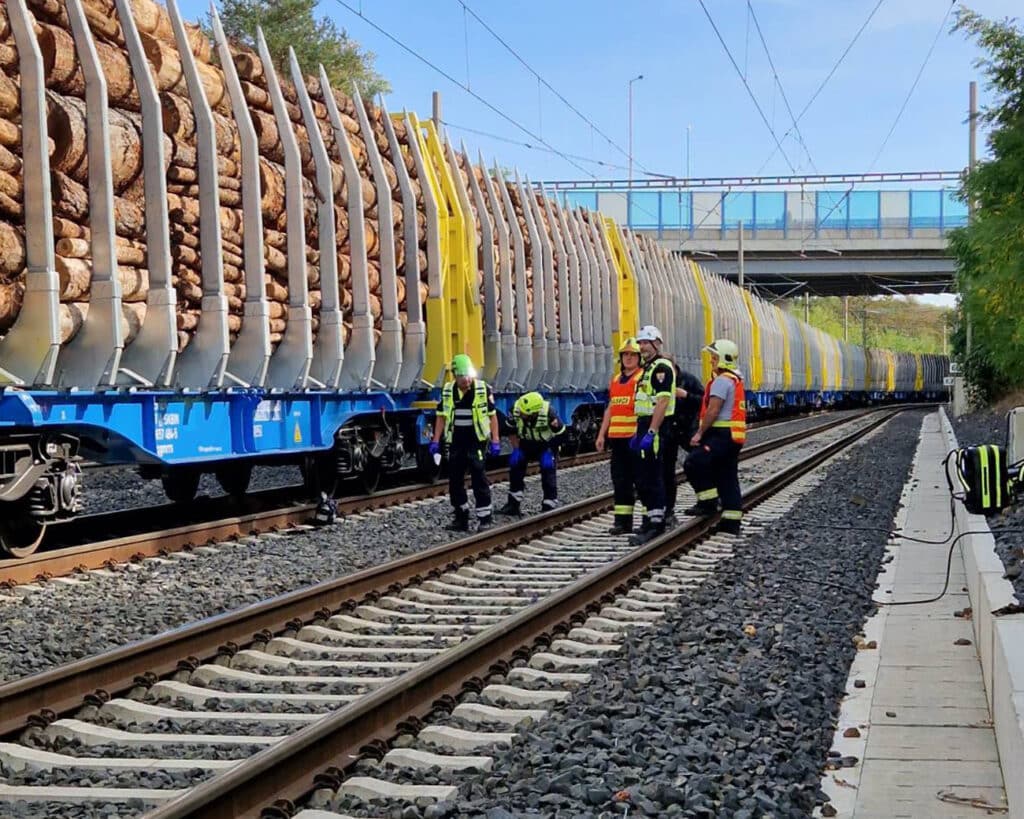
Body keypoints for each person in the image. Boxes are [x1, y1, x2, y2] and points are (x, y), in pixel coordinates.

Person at [429, 354, 502, 531]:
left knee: (478, 475)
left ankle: (485, 518)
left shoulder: (483, 389)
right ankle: (461, 517)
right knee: (454, 479)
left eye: (469, 377)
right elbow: (441, 417)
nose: (467, 381)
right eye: (463, 378)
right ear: (455, 376)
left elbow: (492, 417)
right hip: (456, 441)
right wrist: (436, 440)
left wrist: (495, 440)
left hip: (476, 441)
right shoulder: (447, 391)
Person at [683, 338, 747, 535]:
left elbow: (713, 410)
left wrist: (700, 433)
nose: (711, 360)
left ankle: (707, 502)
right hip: (731, 436)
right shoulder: (733, 380)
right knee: (727, 477)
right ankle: (731, 522)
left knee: (693, 462)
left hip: (720, 435)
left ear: (723, 359)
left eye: (714, 357)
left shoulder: (721, 381)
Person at [629, 325, 676, 545]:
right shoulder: (648, 368)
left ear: (656, 343)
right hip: (644, 424)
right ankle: (649, 518)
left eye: (645, 343)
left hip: (655, 426)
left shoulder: (661, 368)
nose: (642, 347)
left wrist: (650, 431)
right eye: (640, 343)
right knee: (642, 476)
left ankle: (656, 523)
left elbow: (663, 401)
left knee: (652, 475)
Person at [596, 337, 644, 534]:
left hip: (635, 438)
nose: (629, 358)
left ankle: (650, 520)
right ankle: (622, 522)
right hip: (617, 440)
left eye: (632, 355)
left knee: (641, 481)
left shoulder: (642, 378)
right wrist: (601, 435)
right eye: (625, 354)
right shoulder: (616, 380)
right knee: (620, 481)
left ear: (639, 357)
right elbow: (610, 409)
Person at [498, 391, 565, 515]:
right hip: (525, 442)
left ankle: (549, 503)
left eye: (526, 414)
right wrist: (516, 449)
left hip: (546, 444)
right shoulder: (515, 410)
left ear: (535, 412)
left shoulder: (549, 413)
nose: (522, 415)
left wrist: (550, 451)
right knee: (515, 470)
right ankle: (513, 504)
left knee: (548, 471)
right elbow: (510, 430)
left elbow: (560, 434)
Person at [661, 357, 705, 527]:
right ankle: (668, 511)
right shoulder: (659, 381)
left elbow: (703, 401)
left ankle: (707, 500)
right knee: (666, 472)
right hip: (669, 431)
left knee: (696, 463)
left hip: (688, 428)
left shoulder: (688, 380)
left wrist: (686, 395)